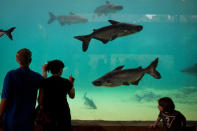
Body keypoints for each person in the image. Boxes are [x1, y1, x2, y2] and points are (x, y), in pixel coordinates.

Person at [0, 48, 44, 131]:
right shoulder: (37, 77)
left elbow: (4, 100)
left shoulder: (10, 75)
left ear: (17, 60)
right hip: (28, 122)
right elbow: (41, 100)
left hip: (11, 121)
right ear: (30, 60)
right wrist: (35, 113)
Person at [38, 60, 75, 131]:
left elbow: (40, 100)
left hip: (48, 114)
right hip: (63, 113)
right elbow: (72, 96)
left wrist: (44, 71)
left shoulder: (44, 82)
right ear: (60, 70)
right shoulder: (66, 82)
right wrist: (71, 83)